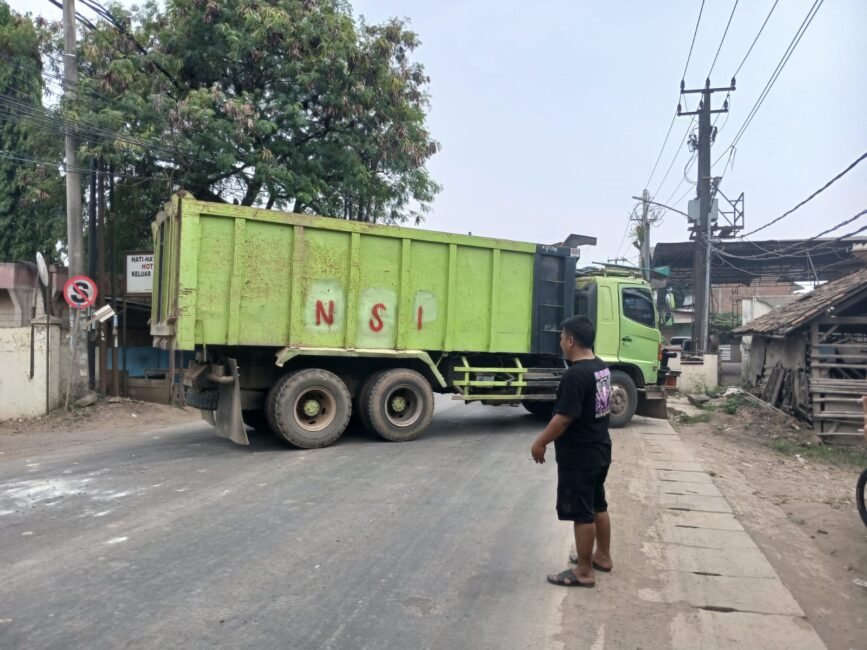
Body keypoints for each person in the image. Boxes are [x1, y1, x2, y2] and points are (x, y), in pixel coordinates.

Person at [531, 315, 613, 588]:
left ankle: (584, 572)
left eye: (562, 336)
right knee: (598, 504)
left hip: (581, 456)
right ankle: (602, 557)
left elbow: (563, 418)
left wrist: (541, 442)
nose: (561, 342)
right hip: (600, 448)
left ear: (571, 340)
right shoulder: (601, 367)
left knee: (582, 512)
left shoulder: (575, 375)